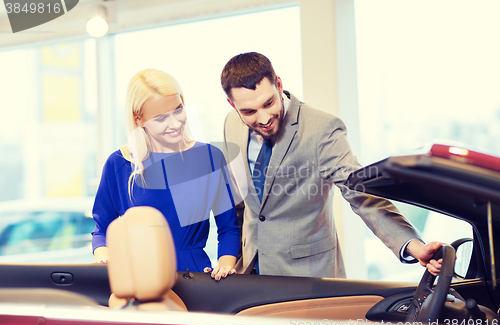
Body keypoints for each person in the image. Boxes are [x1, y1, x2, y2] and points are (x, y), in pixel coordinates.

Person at [221, 52, 442, 278]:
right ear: (232, 104)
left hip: (308, 277)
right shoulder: (231, 124)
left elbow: (361, 194)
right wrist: (231, 259)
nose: (264, 118)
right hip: (250, 273)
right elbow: (242, 201)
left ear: (278, 84)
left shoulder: (321, 129)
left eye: (268, 103)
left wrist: (412, 244)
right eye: (249, 111)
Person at [92, 69, 240, 281]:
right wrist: (105, 260)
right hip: (137, 278)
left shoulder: (209, 157)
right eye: (161, 119)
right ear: (138, 120)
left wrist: (225, 267)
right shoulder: (120, 164)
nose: (175, 123)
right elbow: (102, 229)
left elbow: (228, 228)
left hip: (195, 278)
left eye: (178, 110)